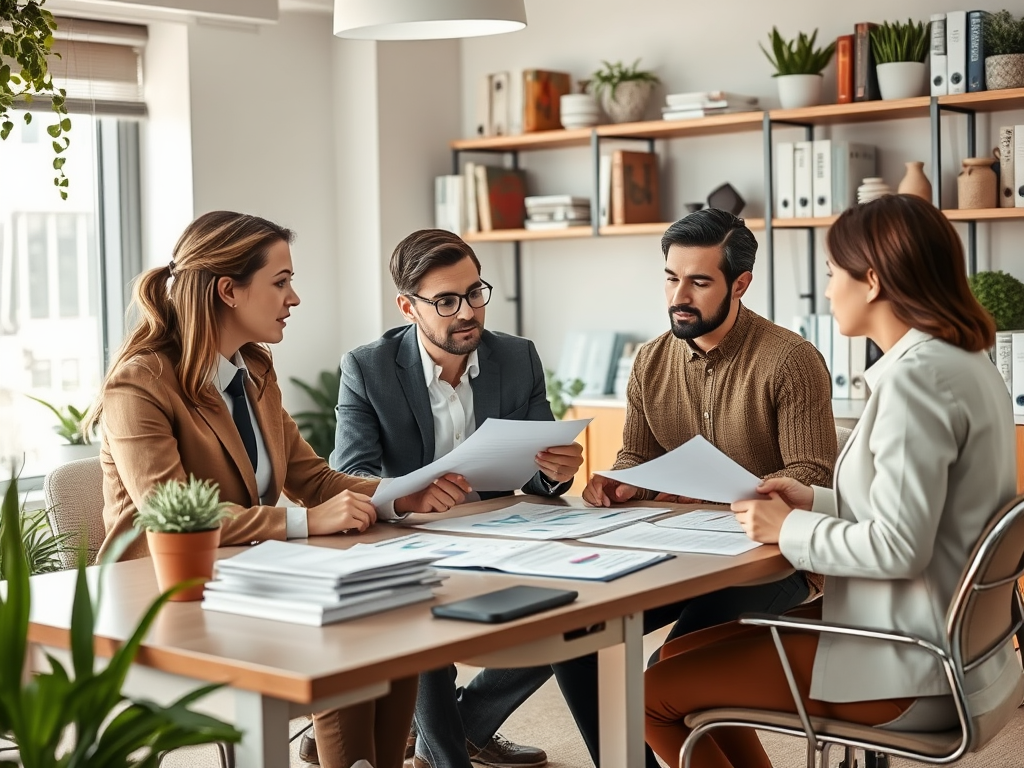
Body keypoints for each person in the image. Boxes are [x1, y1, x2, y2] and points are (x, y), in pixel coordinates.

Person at [645, 194, 1024, 767]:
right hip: (954, 646)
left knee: (652, 696)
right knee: (671, 664)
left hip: (906, 663)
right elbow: (914, 510)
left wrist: (791, 526)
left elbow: (899, 545)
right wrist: (815, 498)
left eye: (831, 274)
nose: (826, 290)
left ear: (870, 281)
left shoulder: (916, 382)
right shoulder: (965, 363)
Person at [93, 211, 465, 768]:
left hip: (247, 580)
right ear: (228, 291)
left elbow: (312, 478)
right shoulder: (140, 384)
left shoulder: (254, 371)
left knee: (389, 617)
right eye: (281, 281)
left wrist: (398, 495)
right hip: (164, 599)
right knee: (340, 635)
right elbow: (171, 516)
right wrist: (306, 522)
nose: (294, 298)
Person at [552, 208, 837, 768]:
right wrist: (620, 480)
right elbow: (638, 454)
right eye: (670, 277)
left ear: (741, 284)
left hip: (771, 560)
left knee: (669, 670)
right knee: (578, 641)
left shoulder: (790, 359)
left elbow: (814, 474)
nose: (679, 294)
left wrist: (749, 492)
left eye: (699, 281)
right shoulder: (651, 359)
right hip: (679, 548)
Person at [309, 228, 584, 768]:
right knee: (423, 628)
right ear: (408, 306)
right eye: (447, 301)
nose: (468, 312)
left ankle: (461, 728)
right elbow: (350, 473)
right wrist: (407, 499)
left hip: (500, 536)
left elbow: (537, 471)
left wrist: (554, 471)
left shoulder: (517, 357)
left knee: (577, 611)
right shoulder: (367, 367)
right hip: (407, 542)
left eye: (475, 292)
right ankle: (449, 755)